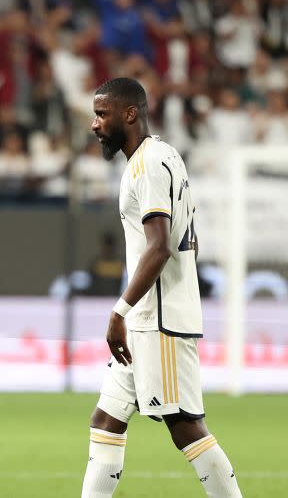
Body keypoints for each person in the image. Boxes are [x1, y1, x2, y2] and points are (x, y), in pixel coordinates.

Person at [81, 77, 243, 498]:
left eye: (102, 114)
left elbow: (160, 247)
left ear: (129, 114)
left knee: (185, 426)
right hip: (146, 318)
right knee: (106, 419)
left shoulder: (148, 165)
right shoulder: (164, 154)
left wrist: (119, 310)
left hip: (160, 319)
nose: (95, 124)